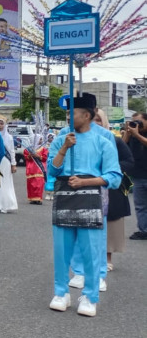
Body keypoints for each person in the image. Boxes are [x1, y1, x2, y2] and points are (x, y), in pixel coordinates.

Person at [47, 94, 121, 317]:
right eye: (67, 114)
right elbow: (52, 170)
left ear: (87, 115)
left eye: (72, 114)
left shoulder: (104, 142)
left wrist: (86, 181)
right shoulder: (62, 139)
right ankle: (61, 292)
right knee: (61, 250)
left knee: (91, 249)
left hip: (91, 199)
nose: (68, 118)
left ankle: (90, 296)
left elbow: (114, 177)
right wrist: (63, 149)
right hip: (64, 199)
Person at [92, 109, 134, 272]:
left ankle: (108, 257)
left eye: (99, 120)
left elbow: (129, 161)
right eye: (93, 120)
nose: (96, 123)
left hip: (111, 187)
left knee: (110, 222)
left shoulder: (115, 141)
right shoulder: (81, 140)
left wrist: (111, 170)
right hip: (88, 185)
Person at [122, 112, 147, 240]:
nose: (136, 124)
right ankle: (144, 231)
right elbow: (121, 147)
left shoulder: (139, 135)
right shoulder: (132, 135)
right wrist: (128, 132)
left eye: (139, 122)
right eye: (134, 121)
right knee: (140, 206)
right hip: (138, 175)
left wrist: (137, 135)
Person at [0, 116, 18, 213]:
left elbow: (12, 151)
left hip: (5, 161)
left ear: (5, 125)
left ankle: (6, 205)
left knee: (6, 182)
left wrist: (13, 164)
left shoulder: (9, 137)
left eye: (1, 124)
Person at [24, 134, 48, 205]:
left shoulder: (43, 149)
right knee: (31, 184)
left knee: (39, 184)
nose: (41, 141)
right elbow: (26, 157)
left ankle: (38, 198)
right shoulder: (28, 149)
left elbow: (44, 158)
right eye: (39, 139)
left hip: (39, 169)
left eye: (41, 139)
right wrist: (30, 155)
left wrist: (38, 156)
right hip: (31, 169)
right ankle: (32, 198)